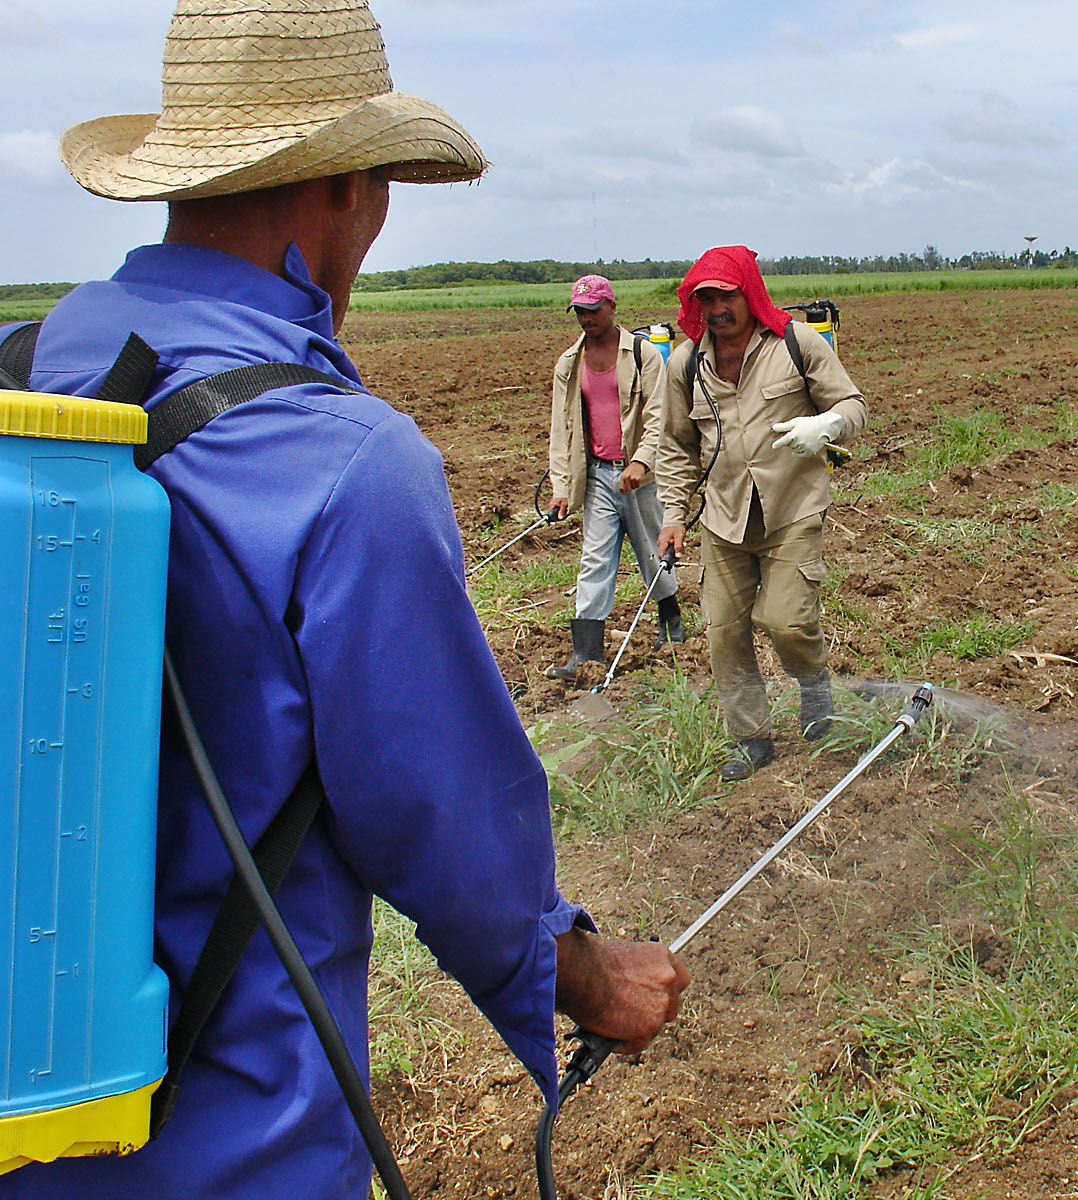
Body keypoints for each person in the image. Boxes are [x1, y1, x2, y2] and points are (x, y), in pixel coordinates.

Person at [5, 3, 687, 1197]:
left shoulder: (34, 366)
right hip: (228, 1135)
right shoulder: (344, 462)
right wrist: (580, 972)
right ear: (348, 191)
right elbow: (442, 814)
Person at [655, 246, 868, 781]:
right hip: (723, 515)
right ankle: (751, 738)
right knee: (724, 632)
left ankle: (813, 682)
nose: (716, 308)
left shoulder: (798, 344)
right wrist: (674, 514)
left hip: (791, 508)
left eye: (726, 294)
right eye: (706, 298)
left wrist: (828, 426)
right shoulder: (686, 363)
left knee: (786, 619)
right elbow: (677, 445)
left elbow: (853, 404)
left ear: (748, 292)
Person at [545, 274, 683, 679]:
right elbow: (562, 429)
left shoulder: (642, 355)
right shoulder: (569, 364)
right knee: (595, 559)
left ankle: (671, 626)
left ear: (611, 307)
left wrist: (640, 461)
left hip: (642, 477)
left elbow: (660, 415)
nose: (586, 318)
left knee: (652, 552)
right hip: (600, 476)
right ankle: (586, 655)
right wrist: (561, 488)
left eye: (593, 310)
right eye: (579, 311)